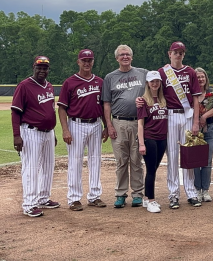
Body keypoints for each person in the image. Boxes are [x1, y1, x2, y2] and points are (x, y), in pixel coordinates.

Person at [57, 49, 108, 211]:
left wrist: (107, 126)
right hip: (76, 124)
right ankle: (74, 198)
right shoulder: (70, 82)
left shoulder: (100, 82)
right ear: (78, 62)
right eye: (84, 60)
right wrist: (65, 130)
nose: (87, 63)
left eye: (90, 60)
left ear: (93, 62)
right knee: (75, 161)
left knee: (95, 160)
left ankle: (94, 196)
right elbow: (62, 108)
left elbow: (104, 107)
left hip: (95, 125)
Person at [11, 56, 59, 217]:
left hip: (48, 133)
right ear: (34, 67)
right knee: (31, 168)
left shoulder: (49, 86)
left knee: (48, 166)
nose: (42, 70)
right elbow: (16, 112)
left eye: (45, 68)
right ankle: (29, 204)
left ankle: (43, 198)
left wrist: (54, 132)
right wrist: (17, 136)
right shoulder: (24, 86)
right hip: (31, 131)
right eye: (39, 67)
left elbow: (50, 110)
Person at [158, 41, 203, 209]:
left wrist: (196, 121)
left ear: (184, 54)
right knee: (172, 156)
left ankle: (191, 192)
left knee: (188, 155)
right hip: (170, 115)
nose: (178, 54)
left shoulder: (190, 72)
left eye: (181, 52)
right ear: (169, 53)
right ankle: (173, 194)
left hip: (187, 115)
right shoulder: (163, 72)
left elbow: (196, 98)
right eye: (175, 52)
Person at [103, 45, 148, 209]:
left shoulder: (142, 73)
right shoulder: (110, 77)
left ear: (132, 57)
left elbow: (157, 83)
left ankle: (137, 194)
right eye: (122, 55)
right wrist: (109, 125)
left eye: (128, 54)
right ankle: (120, 194)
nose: (125, 57)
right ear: (117, 58)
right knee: (121, 160)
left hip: (139, 122)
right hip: (118, 122)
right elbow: (106, 103)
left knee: (137, 159)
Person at [137, 71, 168, 213]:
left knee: (153, 169)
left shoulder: (164, 99)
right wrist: (142, 143)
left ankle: (146, 197)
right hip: (150, 138)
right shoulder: (143, 100)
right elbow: (140, 124)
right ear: (147, 84)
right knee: (151, 170)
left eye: (157, 81)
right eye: (152, 81)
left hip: (162, 138)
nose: (155, 84)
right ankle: (151, 200)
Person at [194, 67, 213, 202]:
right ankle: (196, 190)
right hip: (195, 130)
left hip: (209, 129)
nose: (200, 79)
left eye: (202, 77)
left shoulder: (212, 92)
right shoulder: (192, 93)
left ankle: (205, 190)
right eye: (198, 77)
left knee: (207, 161)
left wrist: (204, 116)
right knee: (195, 161)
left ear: (206, 78)